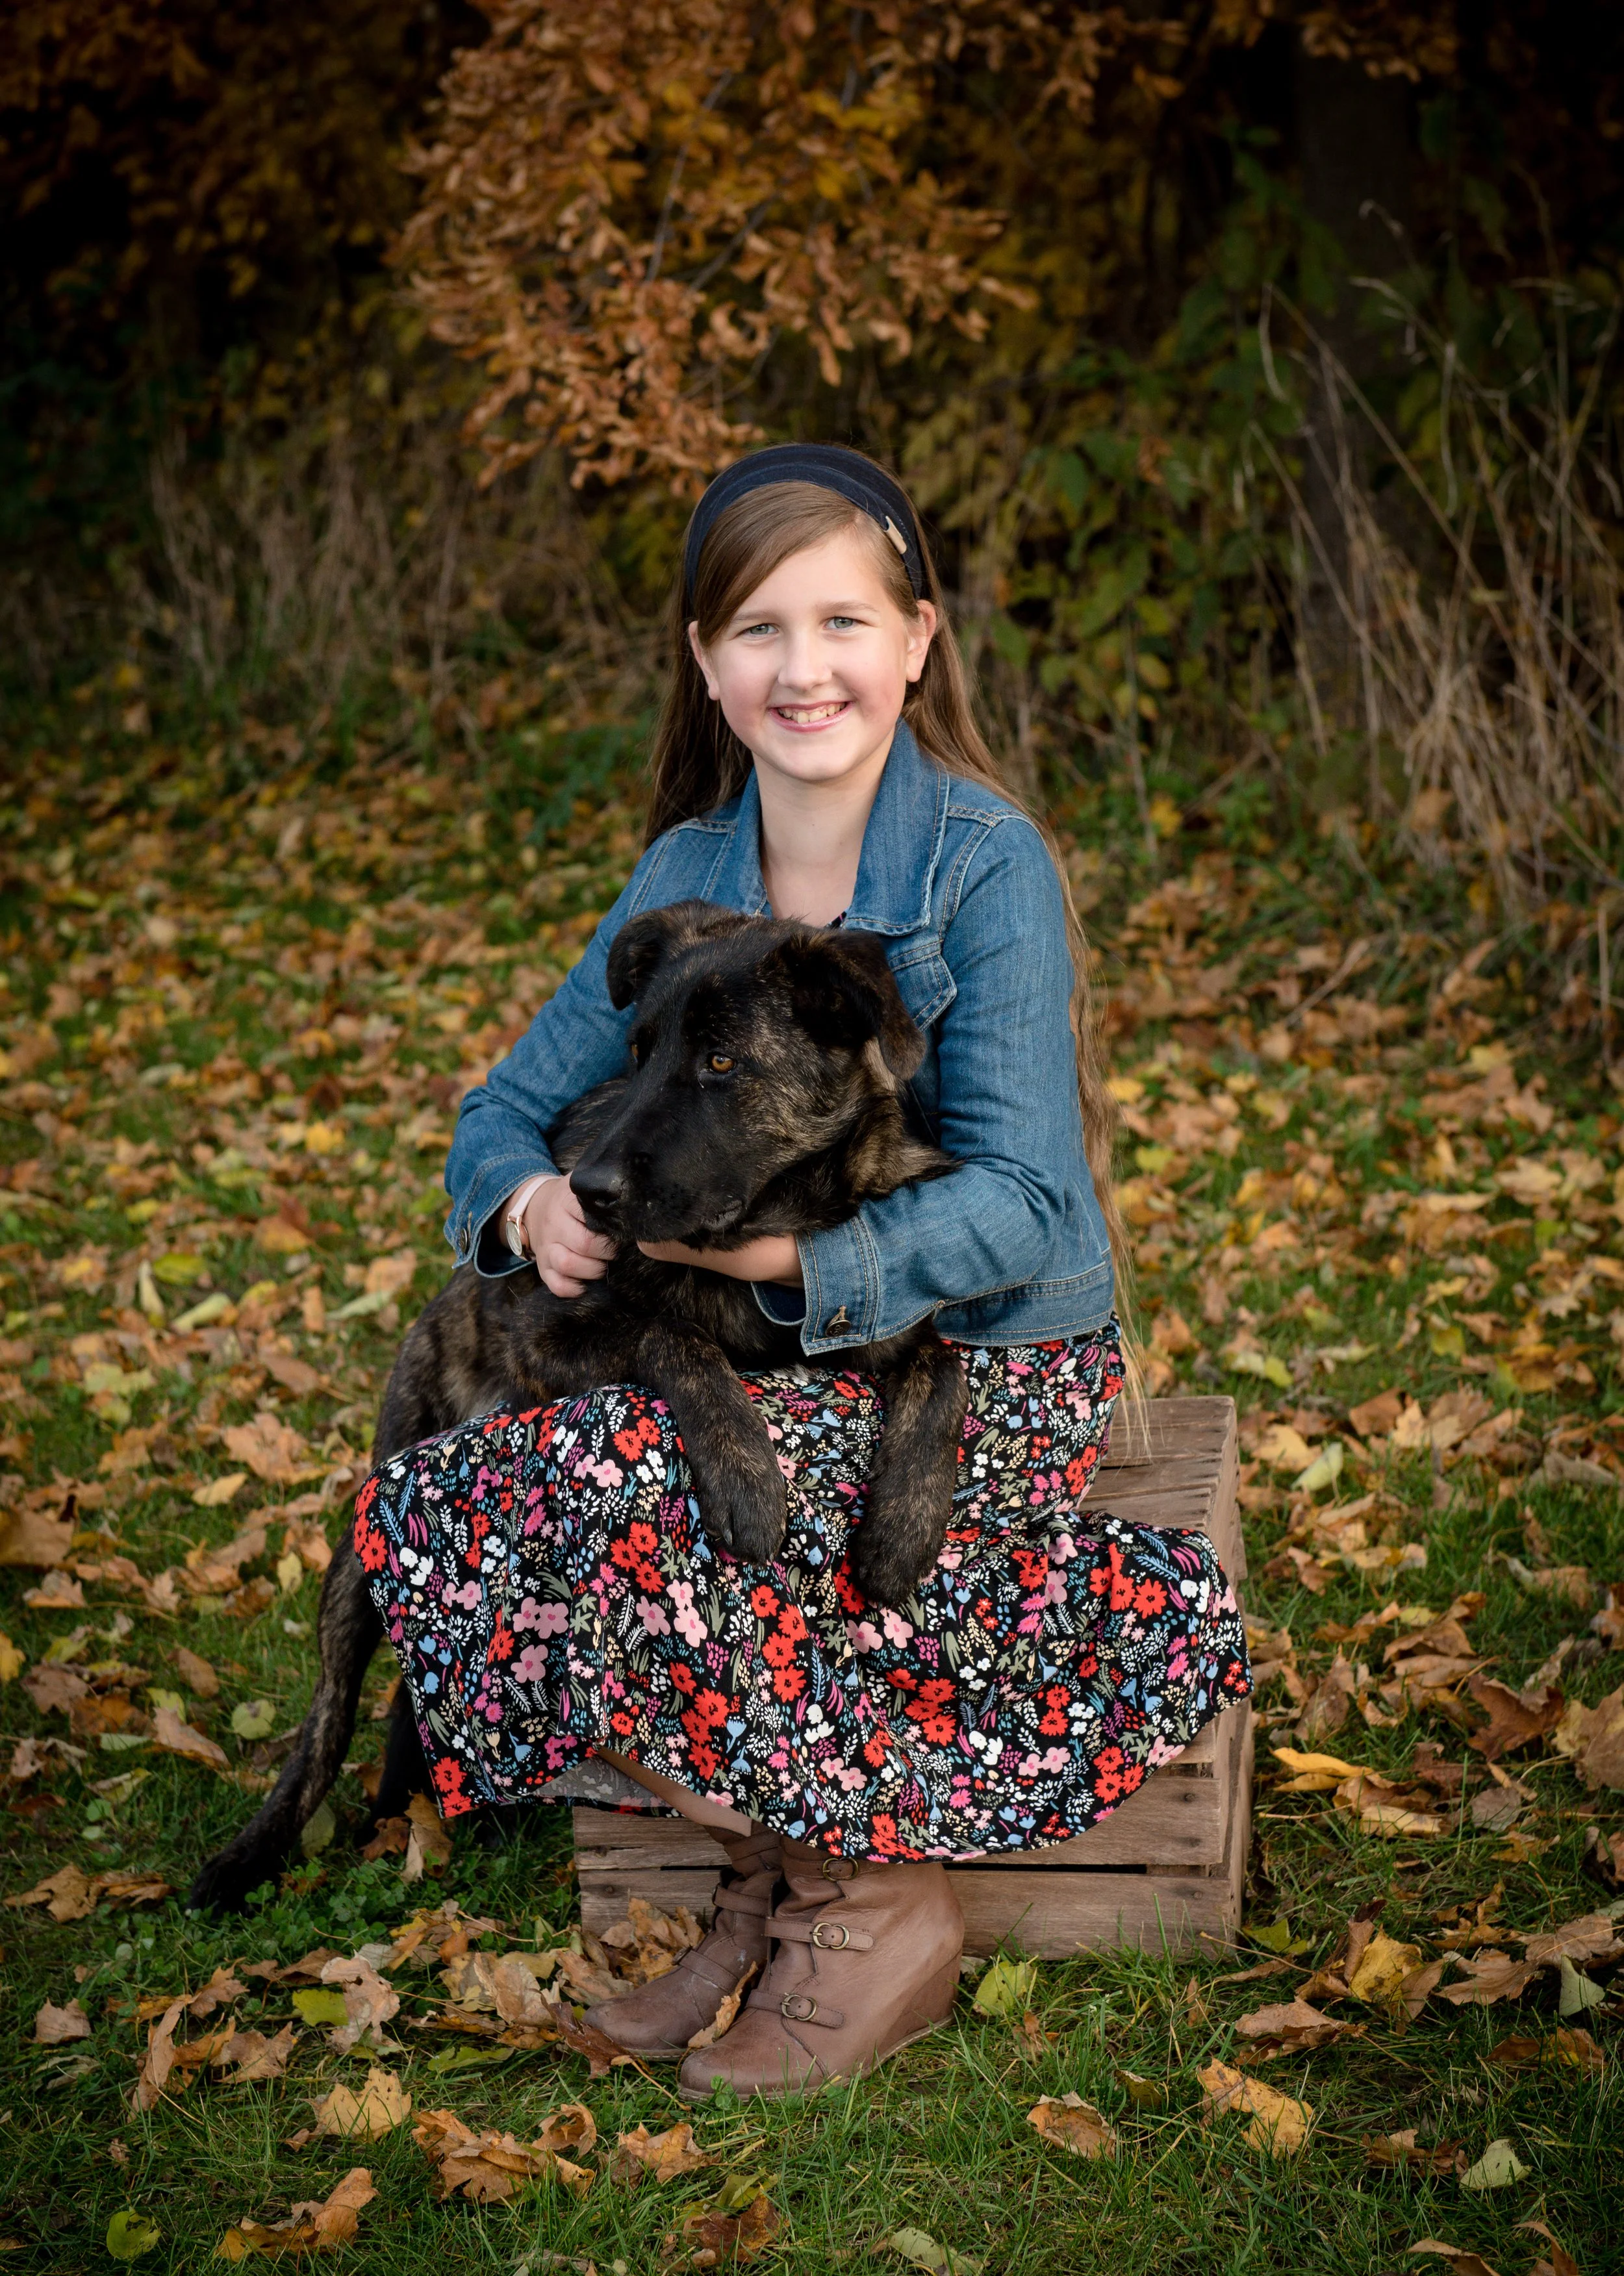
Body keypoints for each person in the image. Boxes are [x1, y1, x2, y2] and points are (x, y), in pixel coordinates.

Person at [353, 444, 1250, 2102]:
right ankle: (782, 1877)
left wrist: (787, 1265)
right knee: (486, 1492)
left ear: (916, 639)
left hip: (974, 1359)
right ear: (705, 663)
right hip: (752, 1362)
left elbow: (1032, 1211)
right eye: (757, 628)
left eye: (842, 619)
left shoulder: (986, 871)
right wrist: (532, 1201)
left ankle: (863, 1906)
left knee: (617, 1503)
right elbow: (502, 1107)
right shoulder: (685, 873)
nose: (801, 665)